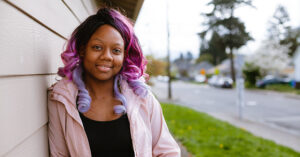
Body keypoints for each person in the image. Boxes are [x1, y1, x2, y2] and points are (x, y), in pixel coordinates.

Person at [47, 8, 180, 157]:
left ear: (124, 56)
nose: (106, 56)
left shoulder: (142, 98)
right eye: (97, 47)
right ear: (83, 49)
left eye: (116, 50)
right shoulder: (62, 99)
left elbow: (168, 152)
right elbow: (59, 154)